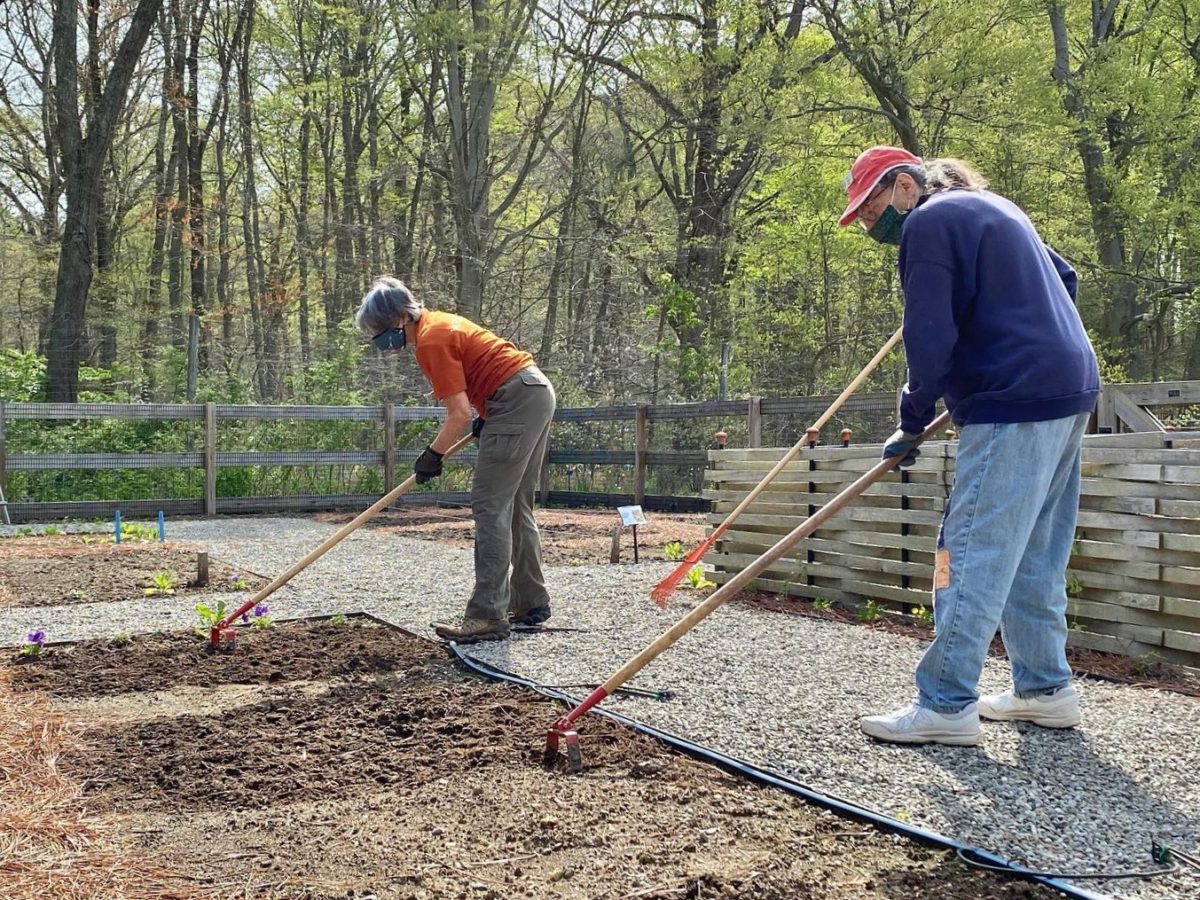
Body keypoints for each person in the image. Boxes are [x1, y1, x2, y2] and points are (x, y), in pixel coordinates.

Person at [837, 146, 1100, 746]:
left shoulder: (927, 224)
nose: (870, 224)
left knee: (971, 550)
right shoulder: (991, 206)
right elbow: (1065, 278)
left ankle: (946, 703)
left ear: (903, 185)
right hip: (1067, 386)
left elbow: (930, 342)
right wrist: (1022, 332)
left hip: (1011, 398)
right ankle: (1045, 690)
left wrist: (910, 420)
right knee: (1033, 551)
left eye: (871, 207)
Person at [355, 277, 557, 643]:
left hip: (514, 400)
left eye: (381, 332)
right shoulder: (440, 324)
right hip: (532, 392)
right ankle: (529, 601)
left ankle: (487, 615)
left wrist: (433, 455)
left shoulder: (431, 339)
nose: (382, 343)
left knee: (489, 504)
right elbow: (480, 378)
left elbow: (457, 415)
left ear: (400, 318)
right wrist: (487, 412)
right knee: (513, 505)